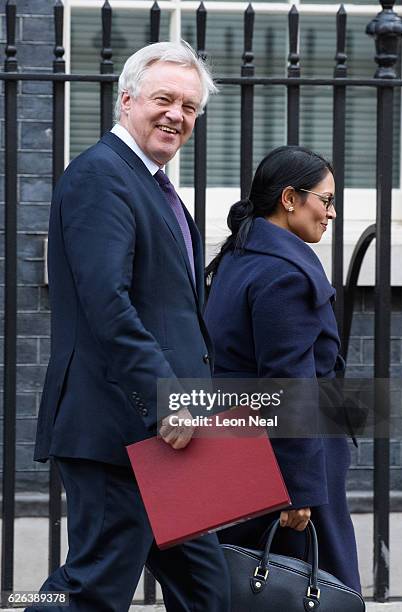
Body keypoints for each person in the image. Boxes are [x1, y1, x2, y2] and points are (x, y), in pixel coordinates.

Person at [29, 41, 230, 612]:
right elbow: (107, 303)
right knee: (92, 588)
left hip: (174, 436)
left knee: (206, 590)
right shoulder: (101, 177)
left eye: (190, 107)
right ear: (126, 100)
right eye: (164, 99)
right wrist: (166, 399)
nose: (178, 115)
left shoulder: (153, 184)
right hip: (122, 427)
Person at [204, 145, 361, 593]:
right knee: (318, 586)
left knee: (251, 585)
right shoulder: (284, 275)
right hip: (285, 459)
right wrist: (300, 488)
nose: (331, 213)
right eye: (326, 200)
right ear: (290, 198)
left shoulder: (241, 256)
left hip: (243, 446)